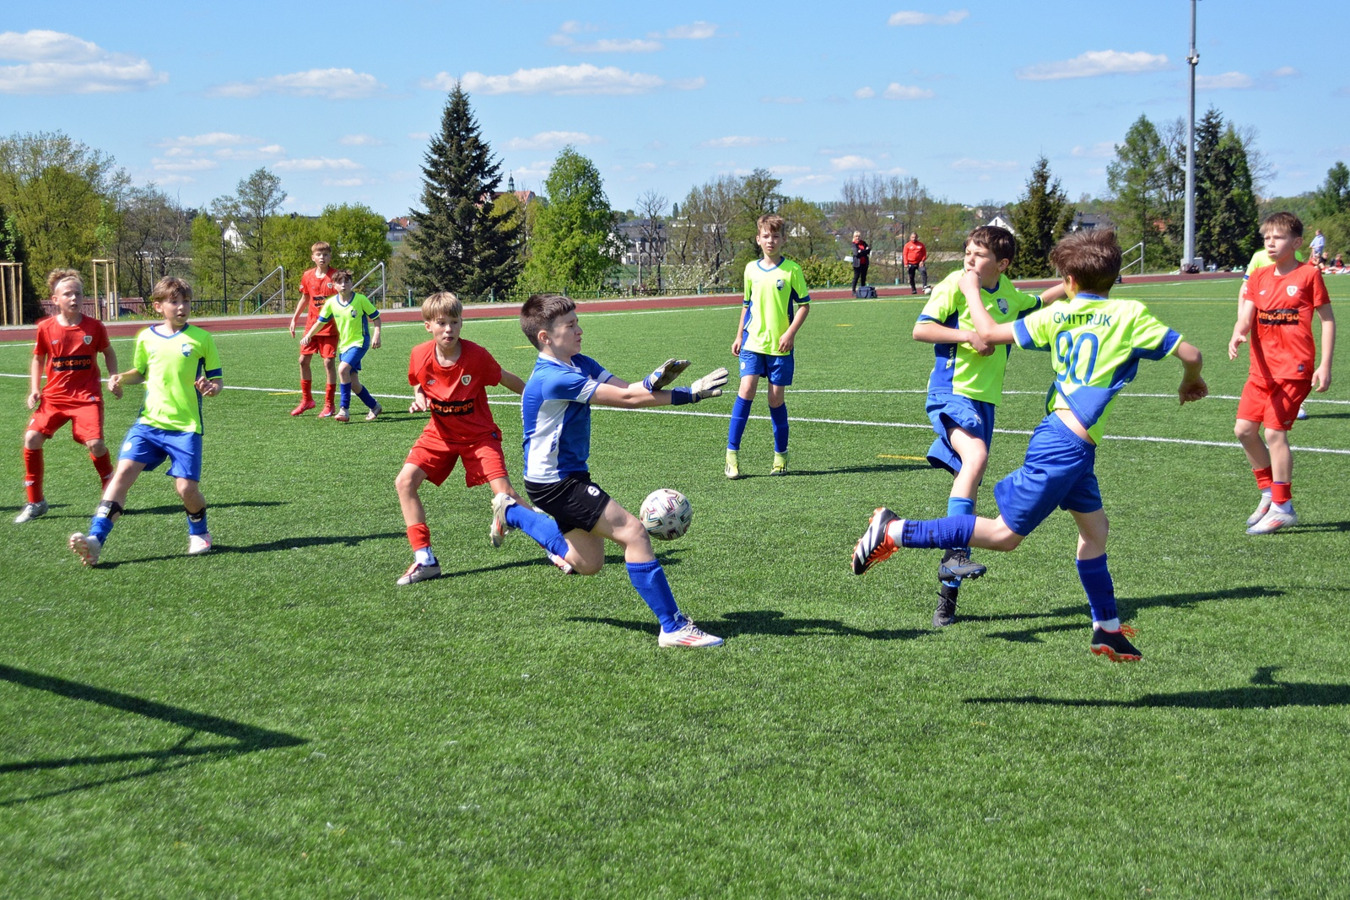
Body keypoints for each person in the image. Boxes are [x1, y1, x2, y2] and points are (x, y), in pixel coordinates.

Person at [852, 229, 1207, 662]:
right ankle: (894, 530)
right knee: (1003, 535)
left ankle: (1107, 628)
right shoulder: (1130, 313)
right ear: (1114, 276)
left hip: (1070, 444)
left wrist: (974, 296)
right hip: (1063, 447)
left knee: (1095, 532)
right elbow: (1191, 353)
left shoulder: (1057, 316)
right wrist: (1191, 382)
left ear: (1069, 281)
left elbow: (989, 331)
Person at [519, 292, 729, 648]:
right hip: (556, 482)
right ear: (545, 337)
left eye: (577, 322)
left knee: (588, 563)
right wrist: (690, 393)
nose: (580, 330)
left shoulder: (578, 362)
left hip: (557, 477)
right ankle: (673, 627)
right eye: (570, 326)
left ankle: (512, 512)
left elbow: (629, 390)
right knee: (634, 533)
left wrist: (653, 380)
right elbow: (628, 400)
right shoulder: (553, 378)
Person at [911, 226, 1065, 626]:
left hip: (985, 403)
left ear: (1003, 264)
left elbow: (1035, 303)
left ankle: (947, 597)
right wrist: (967, 335)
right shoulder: (955, 284)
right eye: (968, 251)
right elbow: (920, 329)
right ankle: (955, 555)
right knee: (976, 458)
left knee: (970, 482)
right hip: (951, 392)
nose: (969, 259)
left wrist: (1070, 285)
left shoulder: (1007, 291)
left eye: (979, 255)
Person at [395, 291, 573, 585]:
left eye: (454, 322)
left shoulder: (476, 356)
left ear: (461, 323)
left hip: (479, 436)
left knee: (506, 495)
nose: (449, 329)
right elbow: (418, 381)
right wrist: (419, 397)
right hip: (439, 434)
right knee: (404, 482)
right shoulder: (419, 354)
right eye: (441, 323)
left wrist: (538, 398)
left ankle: (554, 547)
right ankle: (425, 559)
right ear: (428, 326)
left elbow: (506, 378)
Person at [69, 277, 223, 566]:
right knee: (121, 475)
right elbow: (140, 372)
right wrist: (120, 378)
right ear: (158, 306)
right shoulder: (146, 337)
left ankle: (199, 532)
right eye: (174, 302)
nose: (181, 307)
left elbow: (217, 380)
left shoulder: (202, 339)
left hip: (185, 428)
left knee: (186, 490)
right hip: (148, 424)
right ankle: (95, 540)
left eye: (186, 301)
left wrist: (211, 388)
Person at [1228, 212, 1335, 534]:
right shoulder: (1259, 276)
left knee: (1274, 433)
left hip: (1293, 369)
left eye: (1278, 237)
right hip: (1261, 369)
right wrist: (1238, 332)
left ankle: (1283, 507)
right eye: (1267, 238)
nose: (1271, 243)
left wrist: (1325, 364)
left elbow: (1327, 319)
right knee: (1244, 430)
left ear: (1297, 242)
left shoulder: (1309, 274)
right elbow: (1247, 315)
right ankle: (1267, 492)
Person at [17, 269, 123, 524]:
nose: (74, 298)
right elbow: (38, 358)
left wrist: (113, 376)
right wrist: (35, 388)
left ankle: (111, 497)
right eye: (67, 294)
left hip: (86, 397)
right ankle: (36, 502)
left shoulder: (94, 327)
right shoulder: (45, 328)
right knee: (31, 438)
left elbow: (108, 352)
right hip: (54, 398)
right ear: (55, 300)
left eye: (78, 293)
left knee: (96, 444)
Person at [725, 213, 811, 479]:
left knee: (775, 399)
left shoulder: (792, 270)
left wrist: (790, 333)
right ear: (758, 239)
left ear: (783, 239)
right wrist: (739, 336)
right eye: (766, 236)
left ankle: (780, 456)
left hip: (779, 346)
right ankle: (731, 455)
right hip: (753, 342)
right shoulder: (750, 269)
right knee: (746, 389)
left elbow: (804, 306)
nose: (770, 240)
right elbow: (746, 305)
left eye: (775, 236)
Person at [300, 270, 382, 423]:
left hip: (359, 342)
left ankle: (344, 409)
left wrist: (377, 334)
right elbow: (320, 322)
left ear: (351, 283)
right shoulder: (331, 303)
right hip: (344, 346)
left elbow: (376, 318)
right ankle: (374, 406)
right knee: (353, 383)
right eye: (340, 282)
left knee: (342, 369)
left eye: (347, 281)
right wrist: (309, 335)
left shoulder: (361, 299)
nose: (344, 285)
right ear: (334, 285)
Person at [288, 242, 340, 417]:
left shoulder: (335, 276)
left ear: (330, 257)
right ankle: (307, 400)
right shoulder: (307, 276)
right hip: (311, 327)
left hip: (329, 328)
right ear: (313, 257)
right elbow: (305, 298)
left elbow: (343, 300)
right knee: (303, 360)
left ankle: (329, 404)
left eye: (325, 254)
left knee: (328, 363)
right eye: (319, 254)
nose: (322, 257)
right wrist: (294, 318)